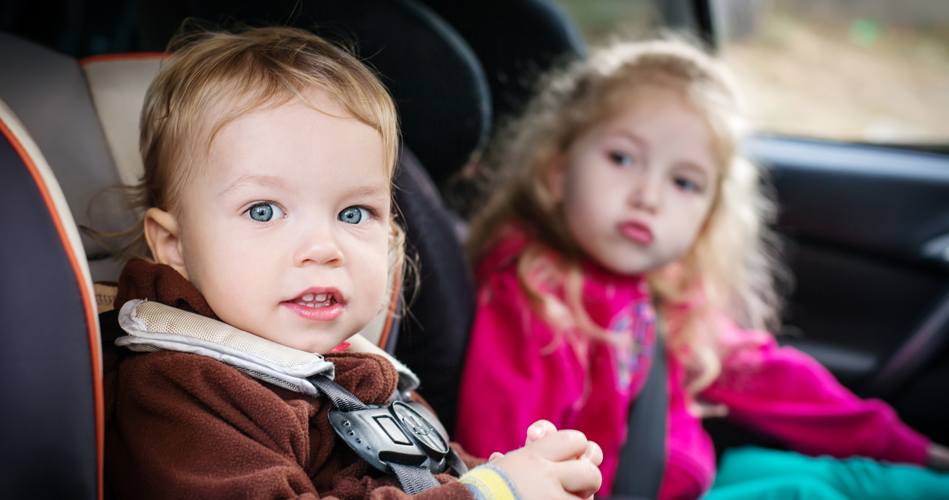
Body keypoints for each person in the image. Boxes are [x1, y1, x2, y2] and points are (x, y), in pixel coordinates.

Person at [102, 26, 603, 500]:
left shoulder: (367, 372)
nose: (324, 247)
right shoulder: (184, 389)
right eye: (263, 211)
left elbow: (427, 477)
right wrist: (490, 491)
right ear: (174, 247)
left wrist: (520, 472)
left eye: (353, 212)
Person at [454, 38, 949, 500]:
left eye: (685, 183)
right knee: (818, 491)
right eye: (622, 158)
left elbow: (776, 382)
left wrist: (912, 448)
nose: (648, 196)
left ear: (708, 215)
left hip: (691, 474)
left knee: (854, 478)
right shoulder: (535, 298)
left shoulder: (660, 290)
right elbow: (510, 464)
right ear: (557, 172)